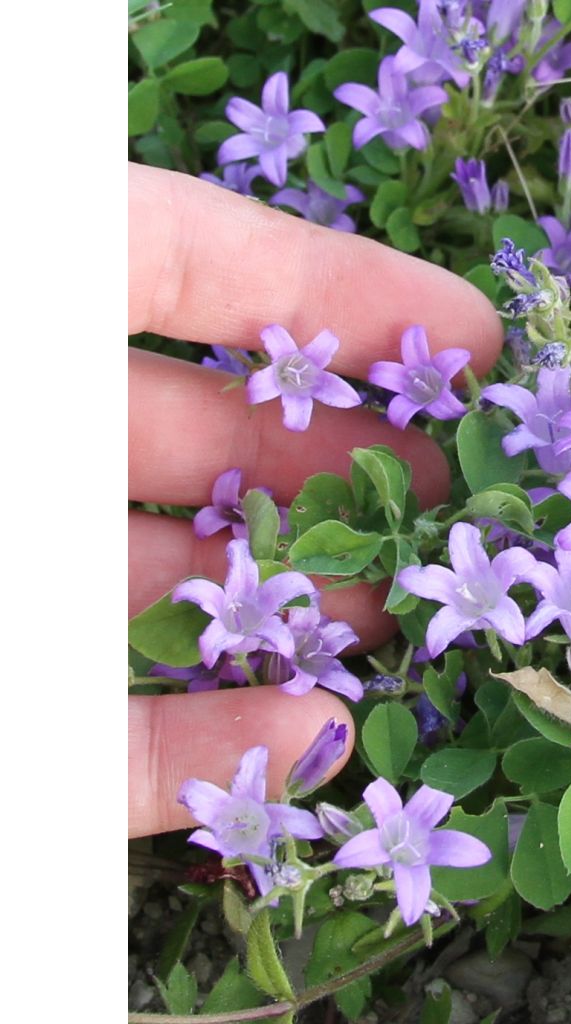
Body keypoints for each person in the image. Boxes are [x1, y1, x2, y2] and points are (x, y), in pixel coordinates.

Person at [127, 163, 503, 838]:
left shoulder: (307, 381)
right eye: (286, 369)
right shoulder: (283, 383)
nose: (296, 369)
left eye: (300, 369)